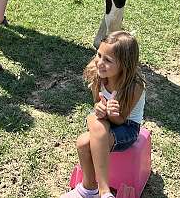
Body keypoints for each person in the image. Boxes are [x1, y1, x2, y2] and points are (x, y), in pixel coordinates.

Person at [62, 31, 146, 198]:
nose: (100, 62)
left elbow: (121, 119)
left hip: (127, 127)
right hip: (105, 122)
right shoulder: (98, 74)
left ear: (125, 65)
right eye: (99, 55)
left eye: (107, 60)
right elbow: (97, 102)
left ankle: (94, 190)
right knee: (91, 123)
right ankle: (97, 190)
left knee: (84, 143)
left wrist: (112, 114)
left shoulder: (134, 86)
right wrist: (99, 107)